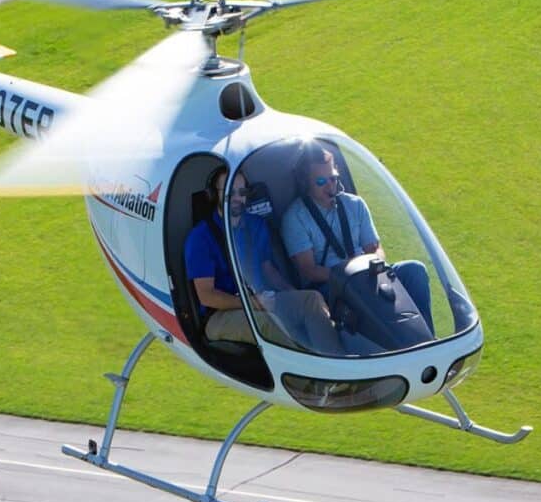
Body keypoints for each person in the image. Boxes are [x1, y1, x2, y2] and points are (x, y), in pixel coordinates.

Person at [185, 167, 345, 355]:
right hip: (220, 314)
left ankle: (336, 363)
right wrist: (251, 303)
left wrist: (295, 295)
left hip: (261, 301)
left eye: (242, 192)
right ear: (213, 195)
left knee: (312, 300)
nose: (237, 198)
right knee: (268, 324)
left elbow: (268, 270)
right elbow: (206, 296)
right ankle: (307, 371)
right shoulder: (200, 237)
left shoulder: (256, 225)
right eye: (229, 193)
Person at [281, 143, 434, 332]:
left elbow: (375, 248)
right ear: (306, 184)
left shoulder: (355, 204)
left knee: (414, 270)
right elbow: (308, 270)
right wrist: (348, 279)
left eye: (333, 178)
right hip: (331, 285)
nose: (330, 186)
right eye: (321, 182)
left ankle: (427, 335)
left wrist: (374, 265)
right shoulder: (295, 218)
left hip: (367, 275)